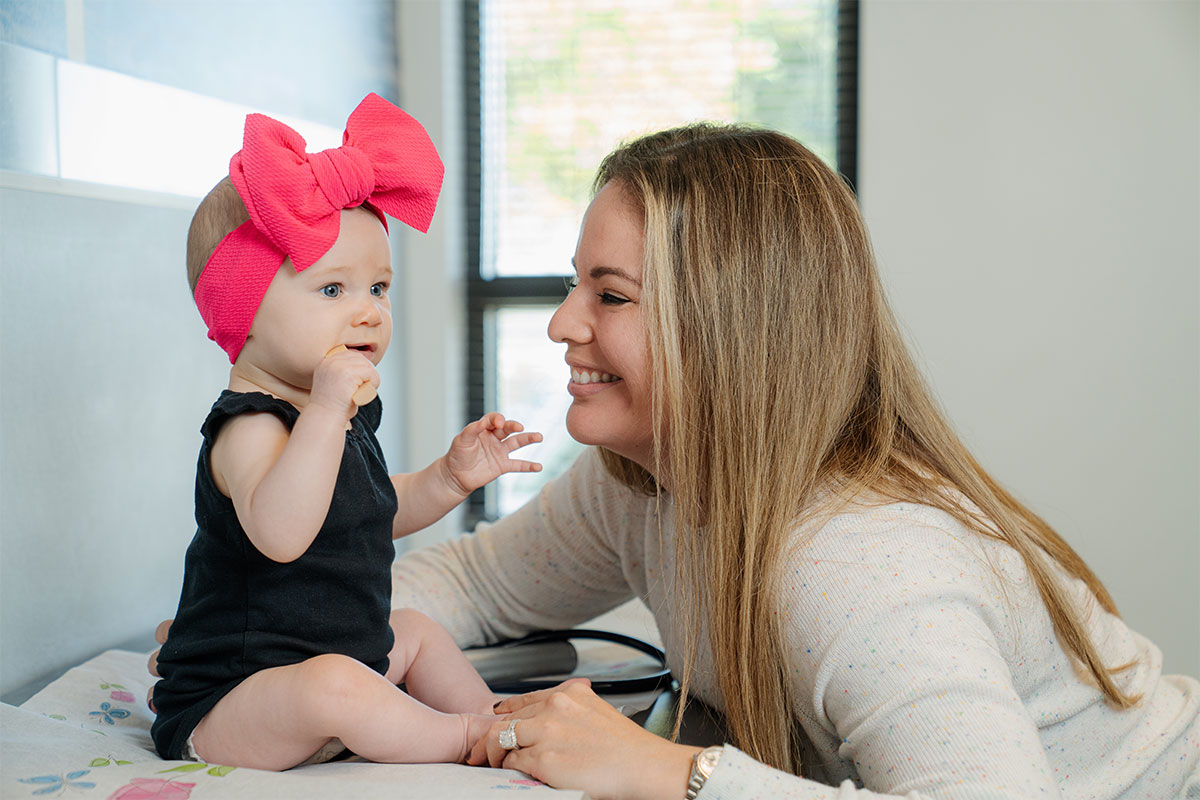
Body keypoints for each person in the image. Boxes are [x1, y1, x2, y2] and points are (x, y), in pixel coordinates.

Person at [154, 122, 1200, 798]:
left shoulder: (863, 565)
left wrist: (674, 771)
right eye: (576, 283)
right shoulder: (640, 485)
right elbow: (468, 579)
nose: (564, 321)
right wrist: (290, 636)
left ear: (729, 333)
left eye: (610, 296)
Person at [150, 94, 543, 772]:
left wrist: (448, 479)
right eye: (334, 291)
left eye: (380, 289)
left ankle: (500, 719)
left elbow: (364, 517)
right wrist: (329, 412)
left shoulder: (338, 415)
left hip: (340, 672)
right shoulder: (247, 429)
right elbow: (283, 532)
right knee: (333, 683)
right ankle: (465, 740)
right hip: (238, 699)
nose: (368, 313)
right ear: (244, 314)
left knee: (413, 633)